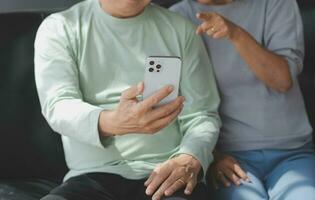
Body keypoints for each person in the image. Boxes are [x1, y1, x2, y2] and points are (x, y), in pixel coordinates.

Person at [34, 0, 221, 199]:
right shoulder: (60, 28)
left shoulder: (181, 29)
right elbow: (58, 106)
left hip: (168, 173)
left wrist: (189, 158)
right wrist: (114, 122)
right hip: (91, 177)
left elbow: (202, 114)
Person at [170, 0, 315, 199]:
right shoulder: (177, 17)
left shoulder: (276, 4)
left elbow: (282, 80)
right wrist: (212, 157)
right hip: (228, 158)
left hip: (292, 152)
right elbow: (176, 107)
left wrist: (235, 33)